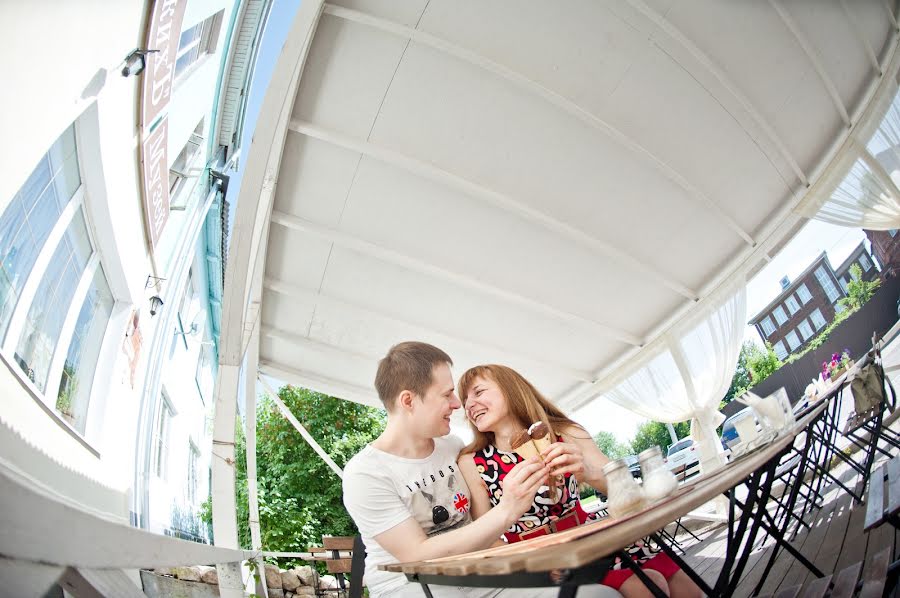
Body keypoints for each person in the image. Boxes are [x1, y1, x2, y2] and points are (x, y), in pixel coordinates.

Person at [342, 342, 622, 598]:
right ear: (408, 401)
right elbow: (418, 554)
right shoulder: (365, 474)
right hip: (412, 587)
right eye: (448, 394)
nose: (458, 405)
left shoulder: (452, 447)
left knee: (599, 595)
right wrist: (509, 508)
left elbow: (483, 536)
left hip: (481, 577)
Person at [457, 364, 703, 598]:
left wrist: (588, 472)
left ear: (511, 388)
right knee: (649, 586)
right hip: (538, 560)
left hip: (596, 540)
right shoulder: (472, 462)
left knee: (687, 589)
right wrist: (526, 565)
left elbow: (624, 488)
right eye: (465, 399)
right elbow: (487, 536)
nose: (469, 404)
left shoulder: (565, 432)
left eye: (478, 392)